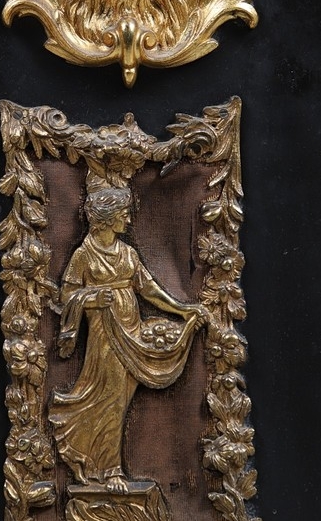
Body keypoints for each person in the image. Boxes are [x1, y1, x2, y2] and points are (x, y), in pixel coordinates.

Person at [48, 185, 208, 495]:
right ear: (107, 219)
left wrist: (181, 309)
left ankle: (101, 465)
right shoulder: (84, 255)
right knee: (109, 400)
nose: (129, 219)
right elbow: (66, 296)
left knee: (119, 402)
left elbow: (149, 290)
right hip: (105, 339)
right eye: (123, 214)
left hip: (131, 334)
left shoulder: (127, 253)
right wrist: (92, 297)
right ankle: (110, 471)